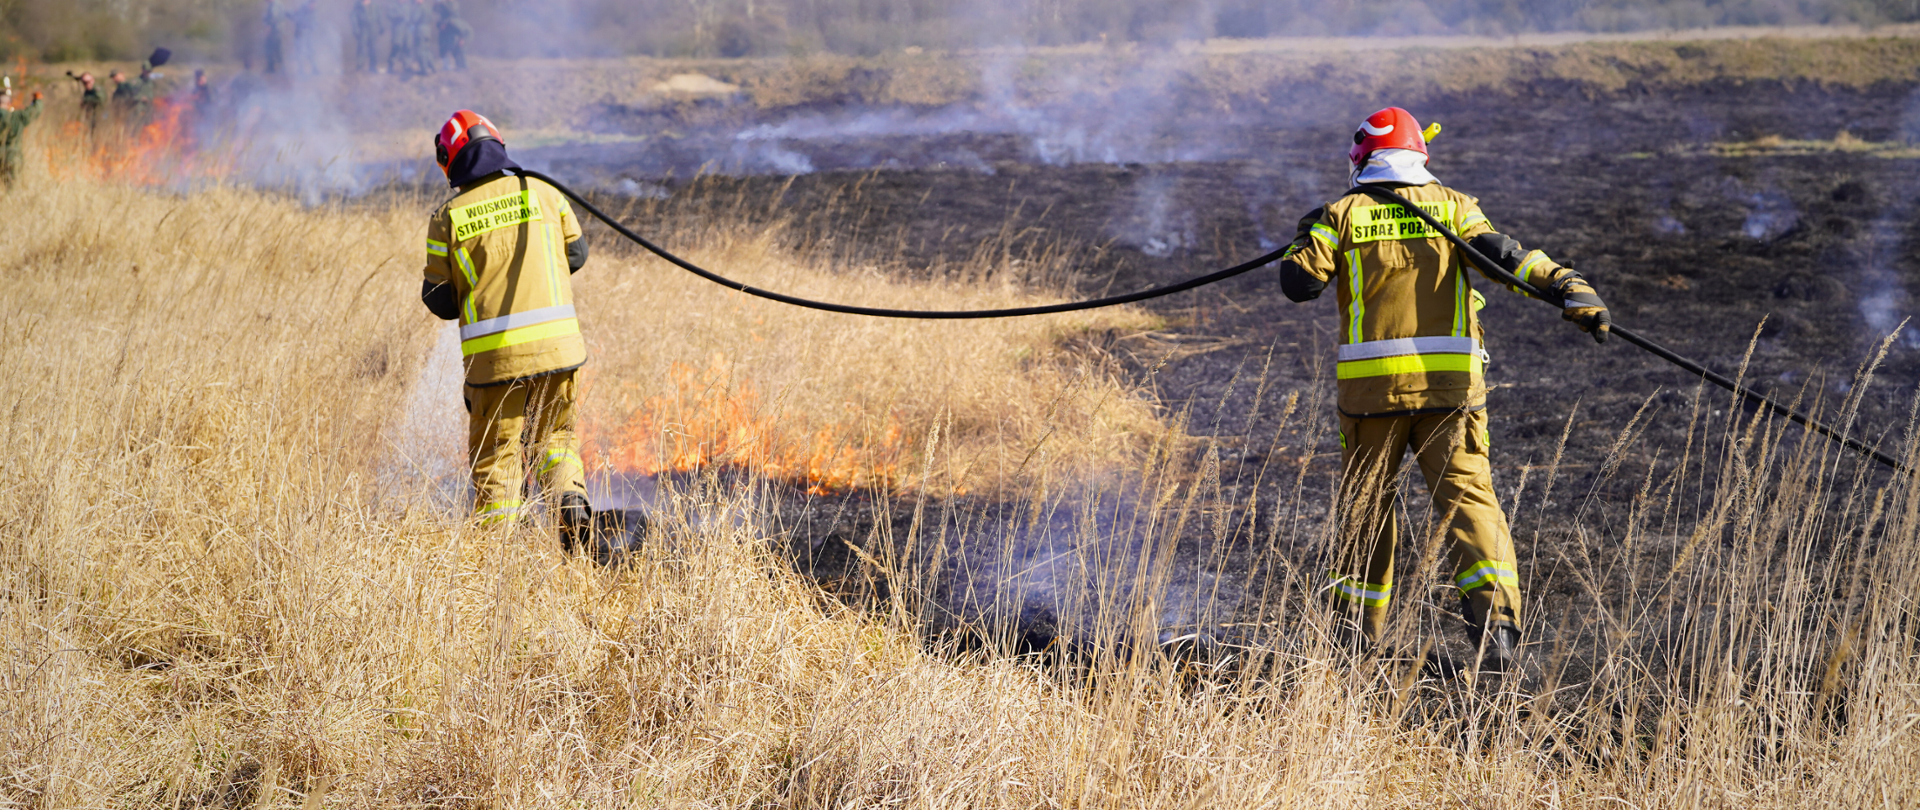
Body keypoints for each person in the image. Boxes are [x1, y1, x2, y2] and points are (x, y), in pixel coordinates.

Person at [1277, 106, 1611, 674]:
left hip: (1371, 399)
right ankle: (1498, 634)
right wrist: (1570, 288)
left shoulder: (1340, 215)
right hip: (1451, 395)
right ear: (1419, 157)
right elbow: (1507, 259)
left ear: (1362, 158)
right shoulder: (1454, 208)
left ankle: (1355, 640)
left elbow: (1298, 284)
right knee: (1469, 500)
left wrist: (1310, 233)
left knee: (1366, 509)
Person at [420, 110, 595, 549]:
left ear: (450, 160)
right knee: (555, 441)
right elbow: (577, 255)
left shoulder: (448, 216)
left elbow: (438, 300)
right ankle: (571, 506)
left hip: (495, 363)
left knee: (496, 458)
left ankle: (499, 562)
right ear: (497, 142)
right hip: (558, 351)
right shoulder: (544, 192)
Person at [0, 83, 43, 188]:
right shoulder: (17, 116)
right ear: (9, 103)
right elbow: (35, 111)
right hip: (13, 156)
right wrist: (38, 99)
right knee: (12, 187)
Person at [434, 0, 471, 71]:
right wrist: (437, 4)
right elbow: (436, 11)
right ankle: (446, 65)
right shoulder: (442, 6)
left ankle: (462, 66)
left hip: (452, 28)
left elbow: (452, 11)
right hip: (445, 28)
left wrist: (462, 39)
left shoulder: (452, 4)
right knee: (443, 47)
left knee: (455, 47)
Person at [352, 0, 385, 73]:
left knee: (373, 47)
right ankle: (360, 66)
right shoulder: (358, 6)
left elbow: (380, 16)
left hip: (373, 28)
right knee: (361, 47)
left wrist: (382, 26)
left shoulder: (375, 5)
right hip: (363, 28)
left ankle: (373, 67)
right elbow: (354, 18)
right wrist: (356, 29)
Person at [388, 0, 417, 75]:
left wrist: (412, 27)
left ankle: (407, 66)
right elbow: (389, 14)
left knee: (407, 47)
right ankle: (391, 65)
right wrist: (398, 16)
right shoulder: (393, 5)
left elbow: (413, 17)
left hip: (408, 31)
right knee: (396, 47)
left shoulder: (409, 5)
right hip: (398, 30)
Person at [411, 0, 438, 75]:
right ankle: (433, 67)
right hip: (428, 30)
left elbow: (415, 18)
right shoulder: (428, 7)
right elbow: (431, 18)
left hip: (420, 30)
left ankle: (424, 69)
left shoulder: (419, 7)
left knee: (421, 51)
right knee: (427, 50)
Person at [263, 0, 287, 74]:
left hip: (275, 31)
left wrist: (268, 28)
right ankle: (272, 67)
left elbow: (274, 18)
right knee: (271, 49)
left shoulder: (274, 5)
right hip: (276, 31)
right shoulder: (274, 4)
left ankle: (279, 69)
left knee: (275, 49)